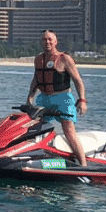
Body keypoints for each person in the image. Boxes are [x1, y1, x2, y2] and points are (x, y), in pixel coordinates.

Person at [27, 29, 88, 166]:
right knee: (34, 129)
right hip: (43, 99)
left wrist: (82, 100)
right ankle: (33, 159)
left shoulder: (64, 59)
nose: (47, 42)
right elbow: (36, 80)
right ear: (41, 42)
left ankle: (84, 165)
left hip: (63, 99)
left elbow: (78, 81)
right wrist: (29, 99)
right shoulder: (38, 59)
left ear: (55, 41)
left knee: (69, 131)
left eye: (50, 39)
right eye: (44, 39)